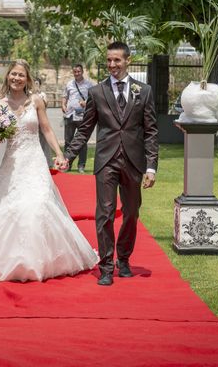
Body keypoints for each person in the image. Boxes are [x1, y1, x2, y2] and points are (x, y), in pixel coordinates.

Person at [0, 60, 98, 281]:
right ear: (8, 77)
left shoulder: (36, 101)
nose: (16, 78)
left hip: (34, 161)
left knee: (39, 204)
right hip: (11, 163)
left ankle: (41, 260)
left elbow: (46, 129)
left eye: (21, 75)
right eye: (13, 74)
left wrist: (60, 153)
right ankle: (5, 259)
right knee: (5, 208)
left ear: (27, 79)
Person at [64, 42, 158, 286]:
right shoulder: (97, 92)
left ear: (128, 60)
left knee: (131, 213)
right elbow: (84, 130)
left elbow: (151, 132)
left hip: (133, 161)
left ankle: (123, 259)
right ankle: (106, 266)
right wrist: (69, 156)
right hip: (106, 160)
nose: (112, 65)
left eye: (117, 60)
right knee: (104, 213)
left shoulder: (144, 91)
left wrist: (151, 166)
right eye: (109, 60)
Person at [62, 64, 94, 173]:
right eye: (75, 72)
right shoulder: (69, 84)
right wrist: (63, 105)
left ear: (82, 72)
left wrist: (86, 103)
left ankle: (81, 165)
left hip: (82, 116)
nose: (77, 74)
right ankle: (67, 164)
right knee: (68, 141)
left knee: (82, 142)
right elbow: (65, 96)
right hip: (69, 115)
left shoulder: (89, 85)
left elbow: (93, 99)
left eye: (78, 72)